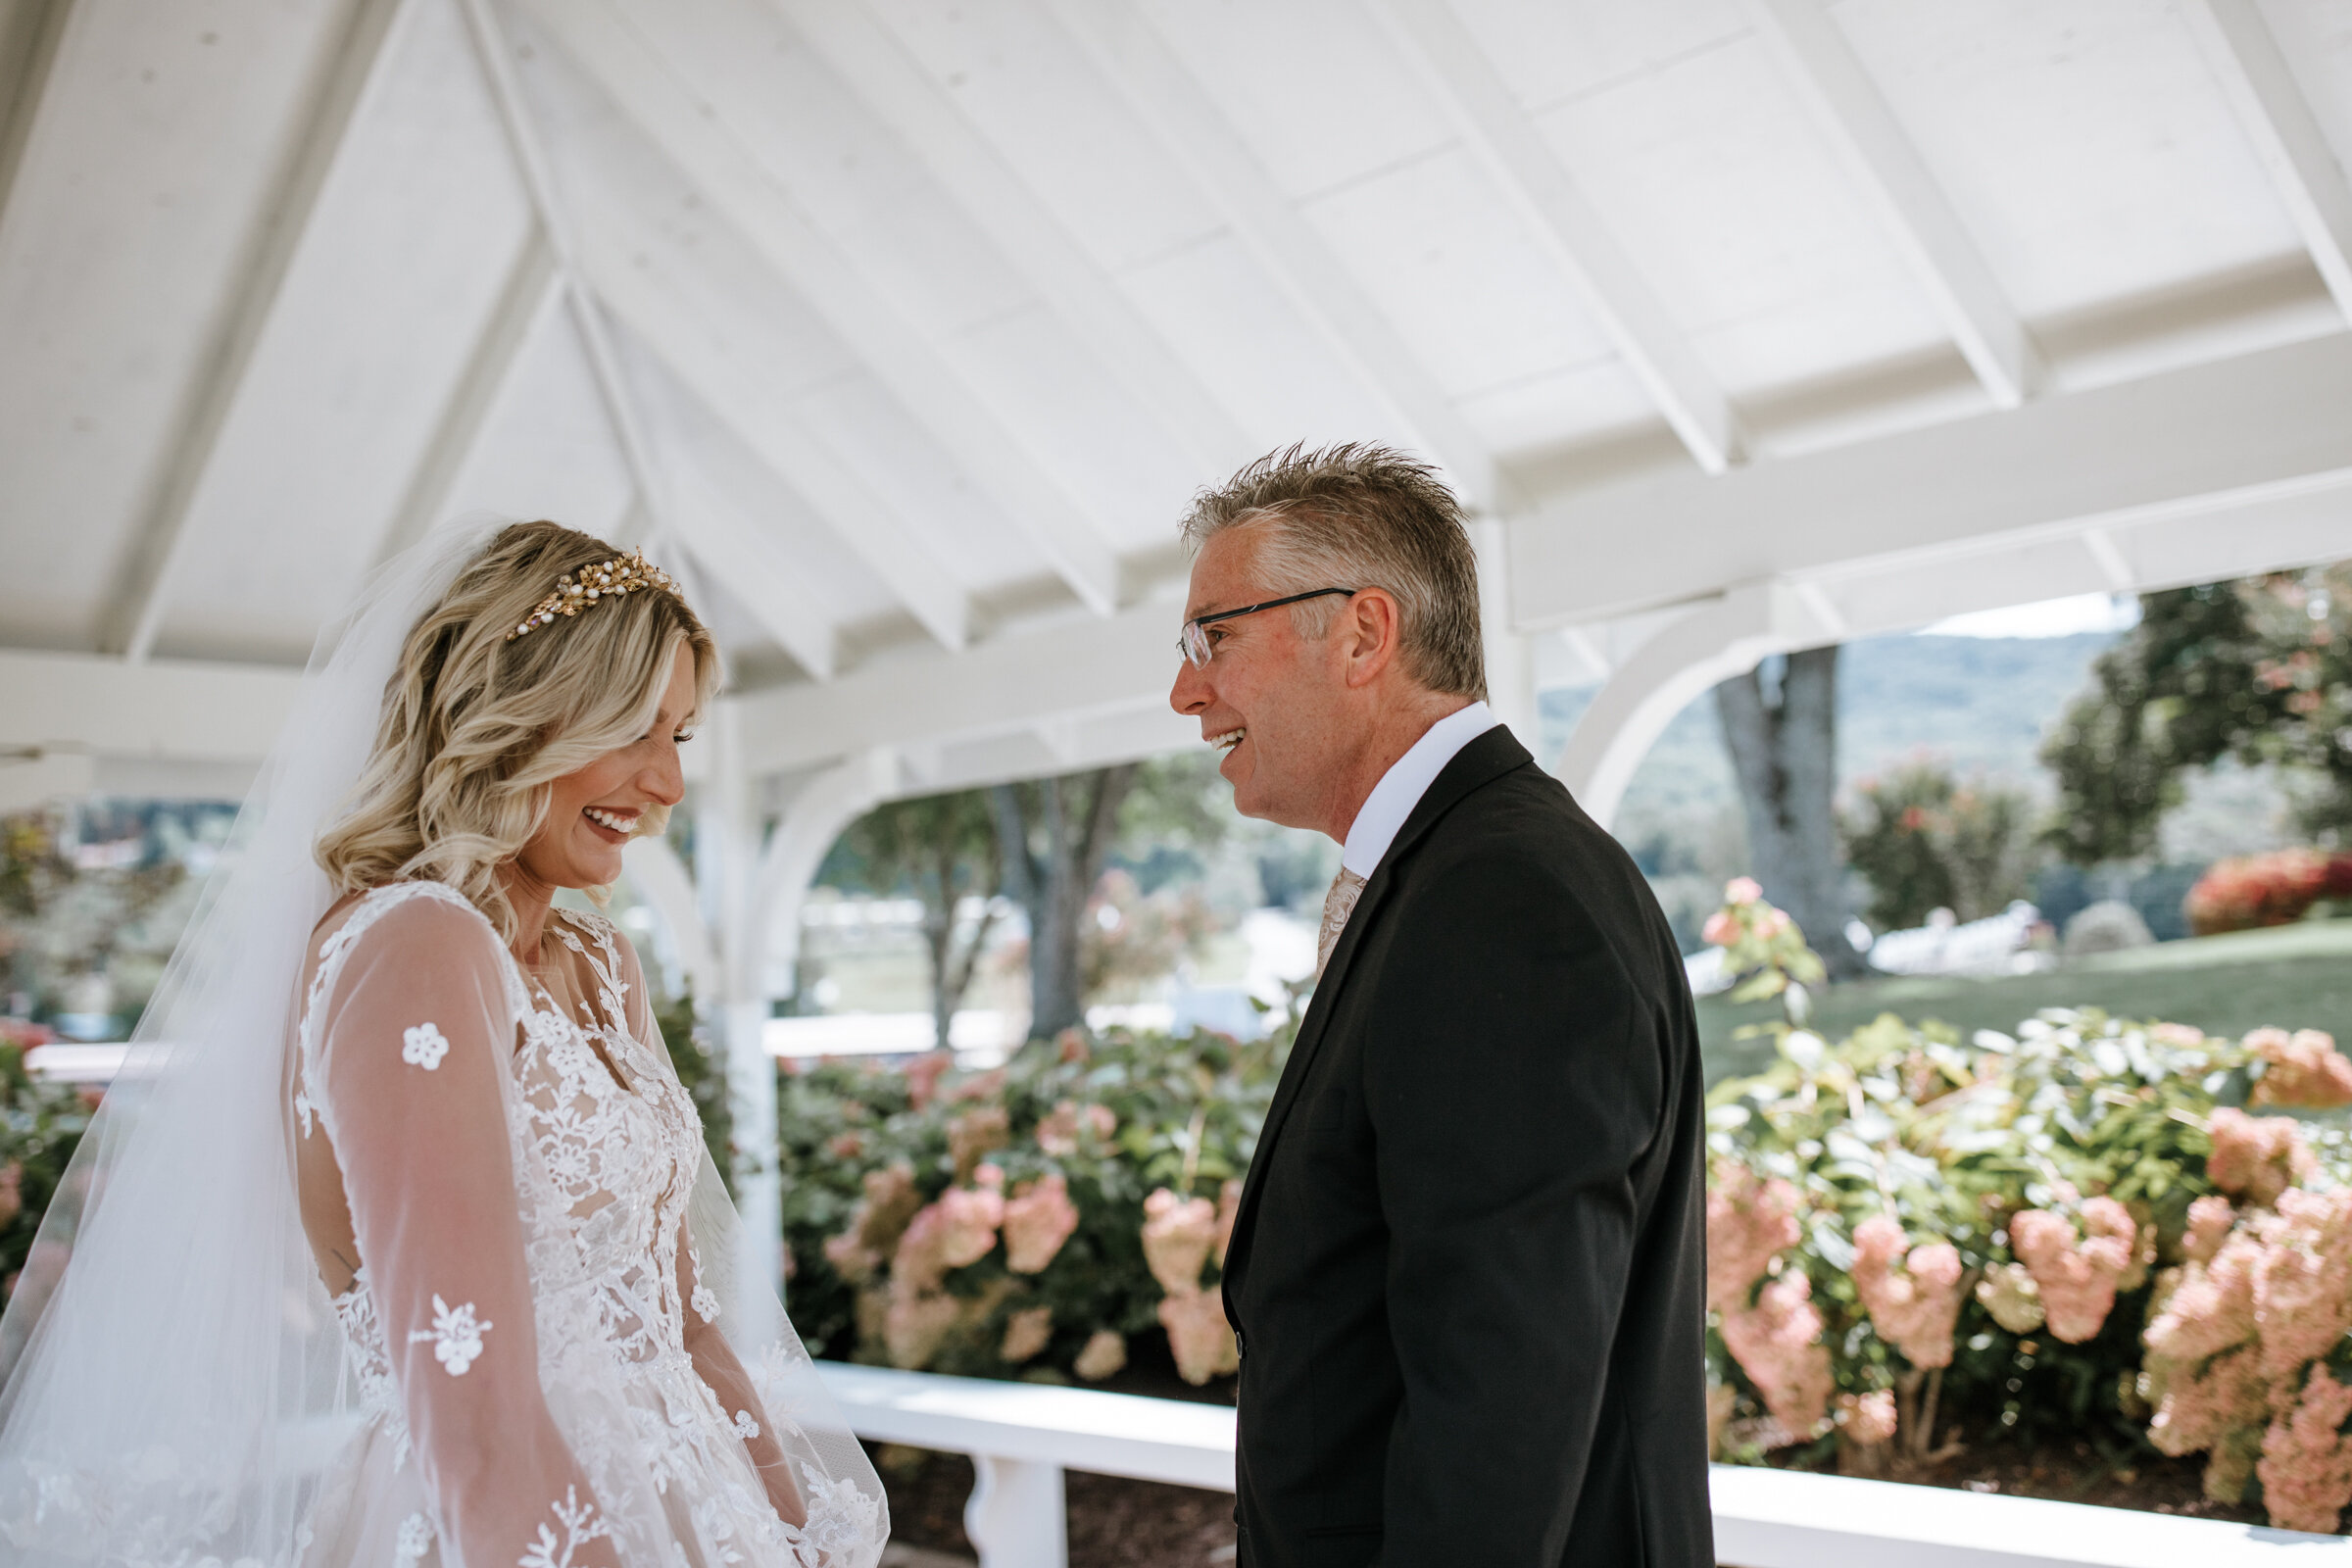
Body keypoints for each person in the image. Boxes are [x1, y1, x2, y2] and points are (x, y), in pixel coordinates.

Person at [0, 521, 887, 1568]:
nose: (667, 784)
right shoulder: (413, 950)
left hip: (702, 1518)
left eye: (680, 736)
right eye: (633, 727)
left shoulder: (600, 963)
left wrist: (797, 1536)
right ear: (515, 716)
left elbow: (684, 1322)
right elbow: (476, 1423)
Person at [1170, 445, 1712, 1566]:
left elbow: (1497, 1409)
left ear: (1365, 632)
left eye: (1211, 636)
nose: (1187, 689)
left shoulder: (1504, 903)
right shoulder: (1464, 875)